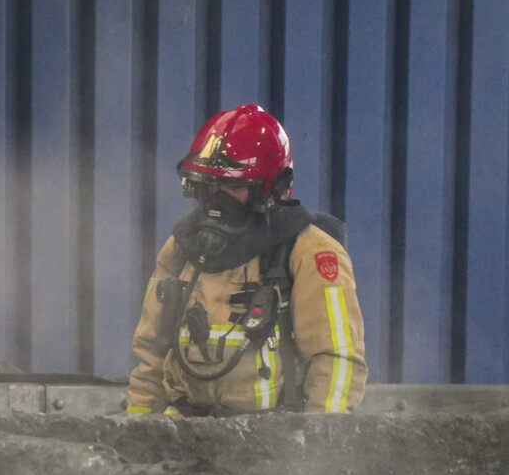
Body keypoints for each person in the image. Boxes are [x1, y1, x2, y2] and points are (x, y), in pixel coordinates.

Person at [128, 104, 365, 416]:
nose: (217, 199)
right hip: (182, 436)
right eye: (208, 185)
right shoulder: (181, 248)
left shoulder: (309, 253)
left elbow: (335, 361)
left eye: (235, 186)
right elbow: (152, 353)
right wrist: (140, 433)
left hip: (269, 445)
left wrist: (318, 451)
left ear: (274, 188)